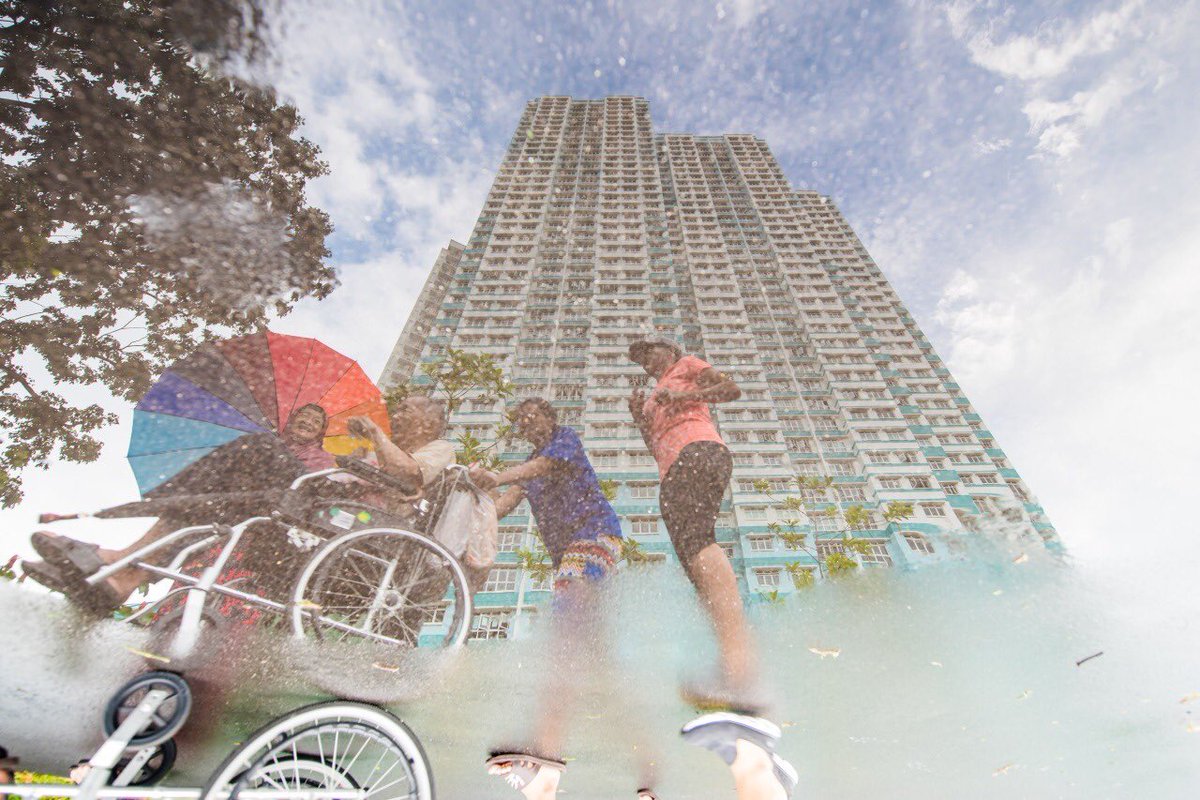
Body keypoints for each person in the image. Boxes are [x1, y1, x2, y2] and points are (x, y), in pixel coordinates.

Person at [628, 335, 797, 799]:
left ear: (670, 351)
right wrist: (638, 416)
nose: (648, 361)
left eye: (651, 352)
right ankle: (733, 670)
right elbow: (653, 444)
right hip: (672, 469)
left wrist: (679, 393)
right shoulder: (649, 400)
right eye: (642, 358)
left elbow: (729, 390)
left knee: (700, 540)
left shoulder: (686, 366)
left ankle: (742, 669)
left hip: (700, 451)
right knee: (693, 559)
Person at [468, 398, 634, 800]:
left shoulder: (564, 441)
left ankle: (545, 761)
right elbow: (502, 505)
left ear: (549, 418)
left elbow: (540, 468)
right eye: (521, 419)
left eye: (533, 414)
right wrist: (470, 499)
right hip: (569, 554)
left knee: (566, 632)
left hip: (594, 535)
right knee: (586, 644)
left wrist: (495, 475)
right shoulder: (528, 466)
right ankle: (621, 747)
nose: (527, 422)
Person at [22, 403, 337, 613]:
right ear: (291, 419)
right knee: (191, 510)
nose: (307, 421)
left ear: (321, 432)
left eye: (316, 420)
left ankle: (112, 560)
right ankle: (116, 581)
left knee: (209, 493)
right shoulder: (265, 442)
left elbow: (309, 492)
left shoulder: (320, 461)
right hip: (230, 504)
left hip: (275, 516)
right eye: (303, 415)